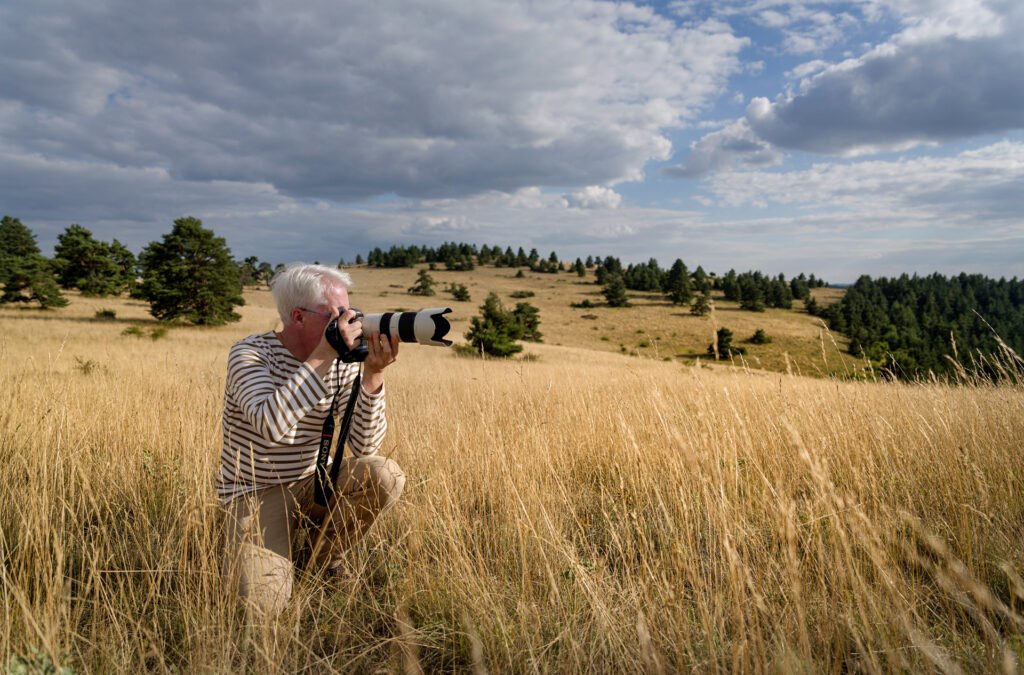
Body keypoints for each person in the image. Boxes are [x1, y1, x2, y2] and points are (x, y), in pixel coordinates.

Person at [218, 262, 405, 617]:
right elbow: (271, 425)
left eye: (350, 311)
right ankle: (269, 552)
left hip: (314, 482)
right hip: (256, 493)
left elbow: (364, 447)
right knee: (261, 610)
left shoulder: (343, 360)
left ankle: (319, 561)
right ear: (298, 317)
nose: (349, 322)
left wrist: (373, 375)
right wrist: (323, 356)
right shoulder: (251, 355)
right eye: (336, 313)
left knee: (386, 474)